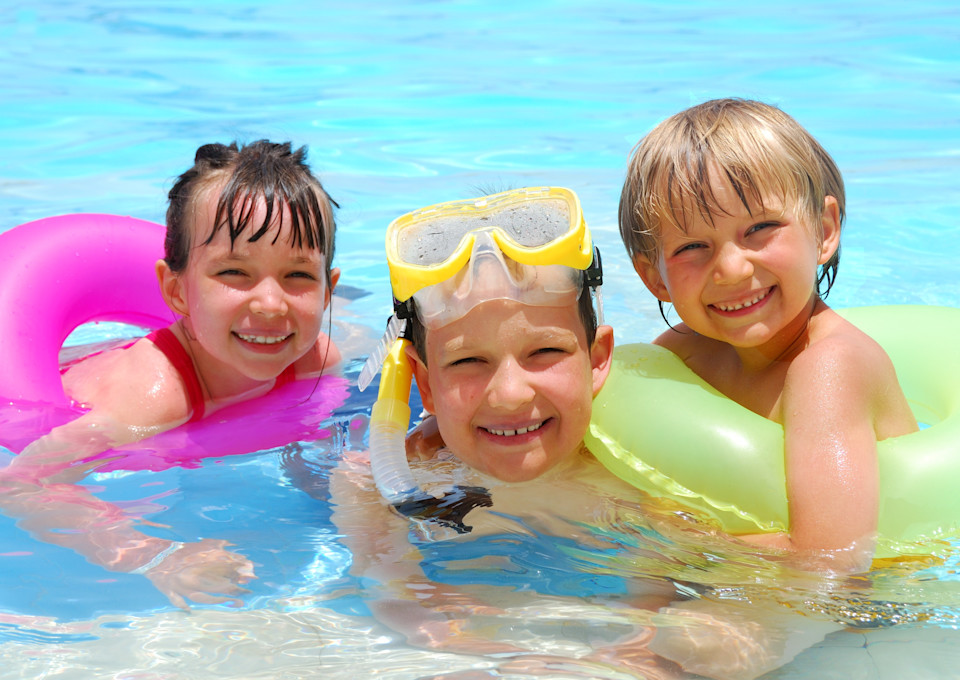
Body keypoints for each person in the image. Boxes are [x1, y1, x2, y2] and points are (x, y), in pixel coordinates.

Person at [332, 187, 800, 679]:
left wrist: (632, 657)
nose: (509, 394)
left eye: (545, 352)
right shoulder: (375, 486)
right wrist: (480, 651)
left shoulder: (641, 483)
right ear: (425, 383)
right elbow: (393, 594)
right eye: (468, 361)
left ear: (597, 360)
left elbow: (717, 597)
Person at [0, 139, 341, 608]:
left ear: (327, 292)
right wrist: (156, 557)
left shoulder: (317, 361)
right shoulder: (153, 396)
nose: (270, 304)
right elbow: (24, 483)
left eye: (298, 276)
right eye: (234, 272)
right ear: (176, 291)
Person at [619, 98, 918, 570]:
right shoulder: (684, 355)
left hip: (871, 604)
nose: (732, 269)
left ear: (823, 230)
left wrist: (678, 537)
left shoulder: (829, 368)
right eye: (692, 246)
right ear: (654, 277)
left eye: (760, 228)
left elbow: (832, 562)